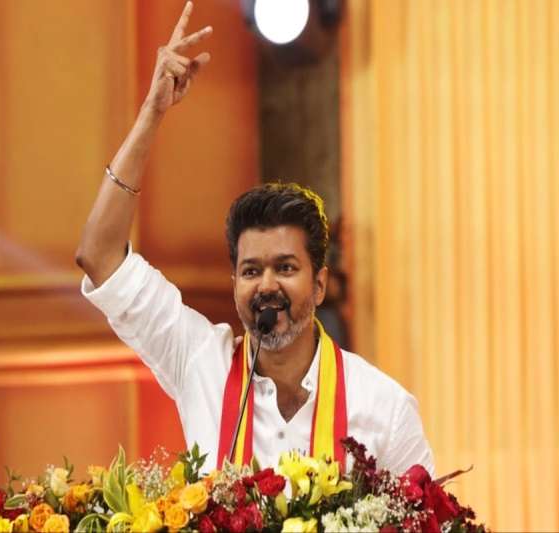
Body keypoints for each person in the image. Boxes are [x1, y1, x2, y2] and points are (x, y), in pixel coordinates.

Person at [76, 1, 434, 475]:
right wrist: (151, 113)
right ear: (234, 285)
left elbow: (432, 513)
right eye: (251, 270)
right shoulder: (200, 362)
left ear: (320, 284)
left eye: (285, 267)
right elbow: (99, 256)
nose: (266, 285)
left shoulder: (383, 407)